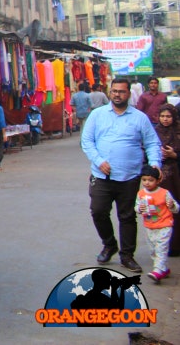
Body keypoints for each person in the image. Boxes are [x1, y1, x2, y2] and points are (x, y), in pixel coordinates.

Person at [81, 77, 162, 273]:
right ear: (110, 92)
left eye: (122, 91)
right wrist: (99, 161)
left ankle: (127, 256)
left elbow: (152, 143)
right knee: (98, 211)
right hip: (101, 176)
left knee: (127, 216)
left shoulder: (139, 118)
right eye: (114, 91)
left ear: (129, 94)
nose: (117, 94)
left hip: (130, 176)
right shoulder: (97, 115)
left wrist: (154, 164)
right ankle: (109, 244)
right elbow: (87, 141)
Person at [135, 165, 179, 283]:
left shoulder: (164, 193)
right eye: (144, 180)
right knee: (153, 250)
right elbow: (136, 207)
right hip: (150, 226)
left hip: (165, 225)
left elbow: (176, 208)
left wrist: (172, 206)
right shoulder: (141, 194)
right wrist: (140, 208)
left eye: (150, 180)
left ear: (158, 180)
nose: (147, 183)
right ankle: (163, 269)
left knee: (161, 248)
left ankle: (158, 270)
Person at [153, 103, 180, 256]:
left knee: (176, 208)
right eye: (162, 116)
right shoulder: (154, 132)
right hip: (161, 178)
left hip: (177, 176)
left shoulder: (178, 131)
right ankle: (163, 245)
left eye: (168, 116)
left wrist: (174, 155)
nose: (165, 119)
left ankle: (176, 245)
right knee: (162, 209)